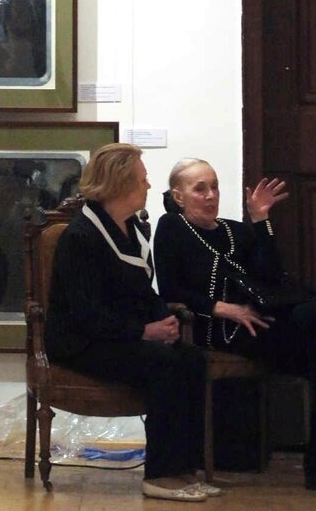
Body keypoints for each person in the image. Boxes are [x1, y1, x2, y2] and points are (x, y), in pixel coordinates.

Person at [153, 159, 316, 495]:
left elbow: (269, 275)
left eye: (214, 187)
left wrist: (260, 219)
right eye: (200, 189)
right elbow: (170, 290)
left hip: (263, 323)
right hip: (221, 330)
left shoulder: (235, 231)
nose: (211, 195)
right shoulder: (172, 227)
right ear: (179, 196)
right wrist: (223, 308)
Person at [44, 143, 214, 502]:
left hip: (116, 335)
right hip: (81, 343)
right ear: (119, 183)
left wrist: (163, 319)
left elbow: (140, 290)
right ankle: (160, 476)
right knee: (166, 365)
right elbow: (86, 313)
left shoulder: (131, 227)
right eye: (142, 179)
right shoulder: (81, 236)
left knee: (193, 359)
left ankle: (184, 468)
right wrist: (143, 331)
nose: (148, 185)